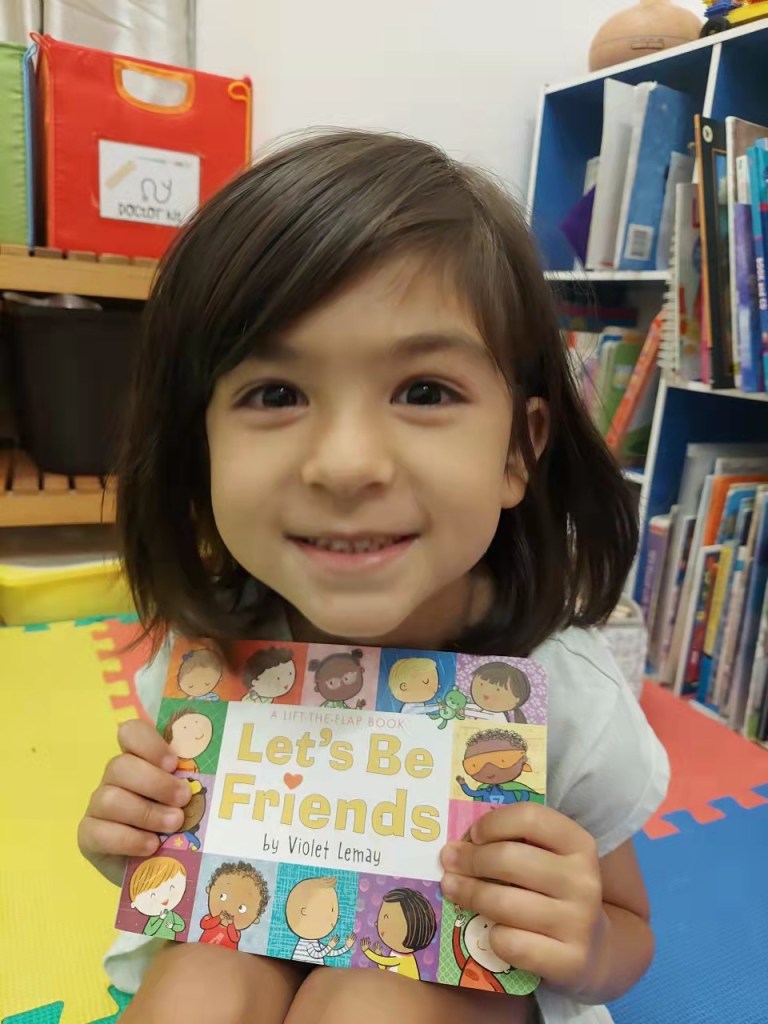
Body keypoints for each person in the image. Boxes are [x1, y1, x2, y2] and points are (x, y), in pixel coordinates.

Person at [78, 130, 669, 1024]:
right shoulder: (213, 665)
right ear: (199, 449)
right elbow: (175, 871)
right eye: (276, 394)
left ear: (519, 450)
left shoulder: (566, 696)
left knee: (372, 1004)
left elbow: (627, 932)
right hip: (244, 944)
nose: (347, 464)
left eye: (424, 391)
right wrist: (131, 837)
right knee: (196, 994)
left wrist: (582, 938)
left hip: (458, 987)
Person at [361, 887, 437, 980]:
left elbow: (382, 960)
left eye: (386, 917)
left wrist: (367, 951)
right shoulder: (397, 955)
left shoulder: (401, 958)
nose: (376, 923)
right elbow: (384, 968)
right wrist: (379, 953)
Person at [456, 729, 545, 805]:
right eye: (475, 765)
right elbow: (472, 793)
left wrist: (519, 805)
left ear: (522, 759)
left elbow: (525, 795)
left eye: (502, 761)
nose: (489, 770)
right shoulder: (485, 791)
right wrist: (463, 784)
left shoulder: (516, 789)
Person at [284, 876, 357, 965]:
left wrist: (346, 947)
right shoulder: (307, 944)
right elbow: (317, 954)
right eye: (331, 910)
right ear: (304, 911)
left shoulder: (315, 943)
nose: (336, 917)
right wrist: (329, 946)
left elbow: (329, 953)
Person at [464, 661, 531, 723]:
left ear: (516, 699)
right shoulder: (472, 705)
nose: (487, 692)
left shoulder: (497, 717)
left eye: (498, 689)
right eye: (481, 684)